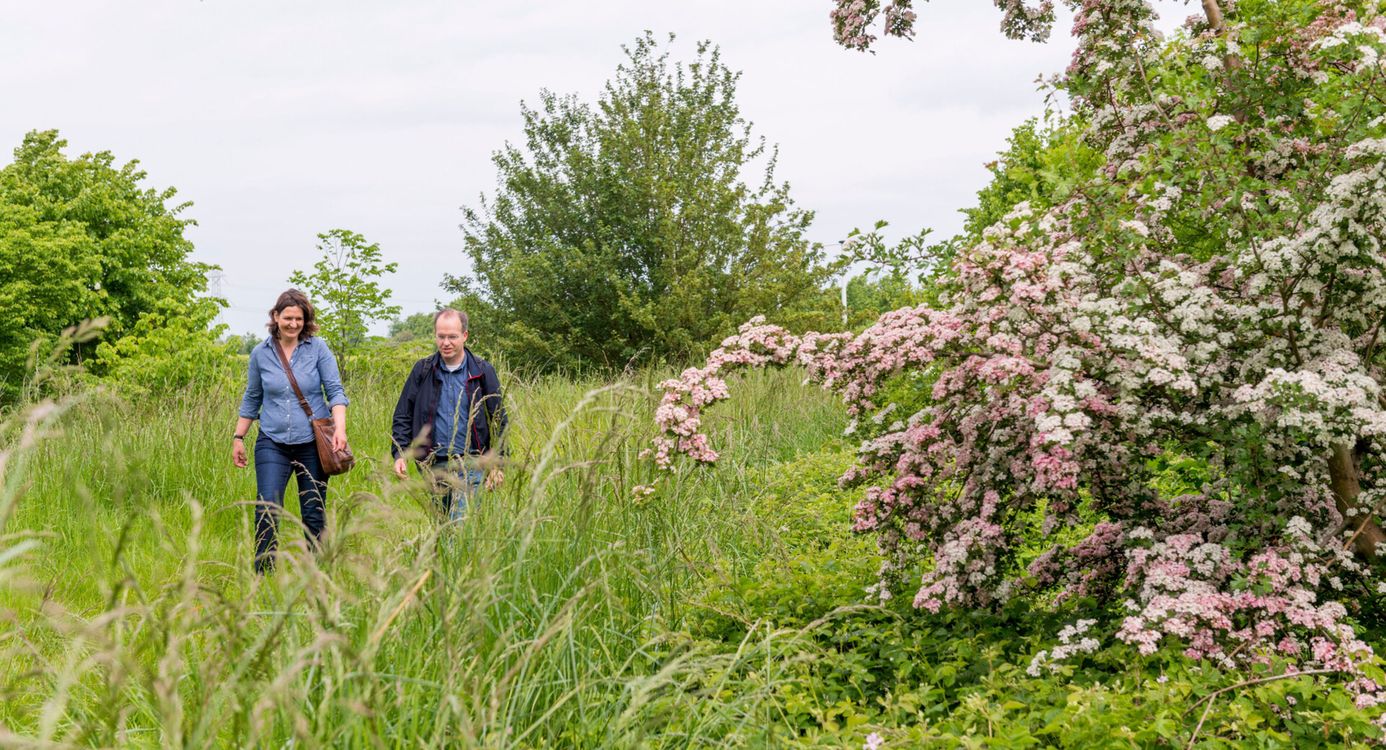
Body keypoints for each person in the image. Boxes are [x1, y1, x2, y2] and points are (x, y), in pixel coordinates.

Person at [232, 289, 350, 573]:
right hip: (272, 442)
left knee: (312, 509)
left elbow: (335, 391)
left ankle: (316, 572)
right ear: (276, 317)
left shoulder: (318, 349)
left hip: (312, 442)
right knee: (267, 506)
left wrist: (340, 430)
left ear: (305, 320)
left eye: (299, 318)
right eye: (288, 318)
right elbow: (252, 397)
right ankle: (263, 573)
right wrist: (238, 437)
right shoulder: (260, 354)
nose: (293, 324)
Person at [391, 308, 507, 522]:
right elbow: (403, 415)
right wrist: (400, 454)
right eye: (441, 336)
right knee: (442, 524)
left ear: (464, 336)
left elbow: (499, 419)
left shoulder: (482, 371)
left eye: (452, 336)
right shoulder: (423, 370)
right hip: (433, 463)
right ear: (435, 336)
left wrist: (497, 464)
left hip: (473, 461)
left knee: (460, 524)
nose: (446, 342)